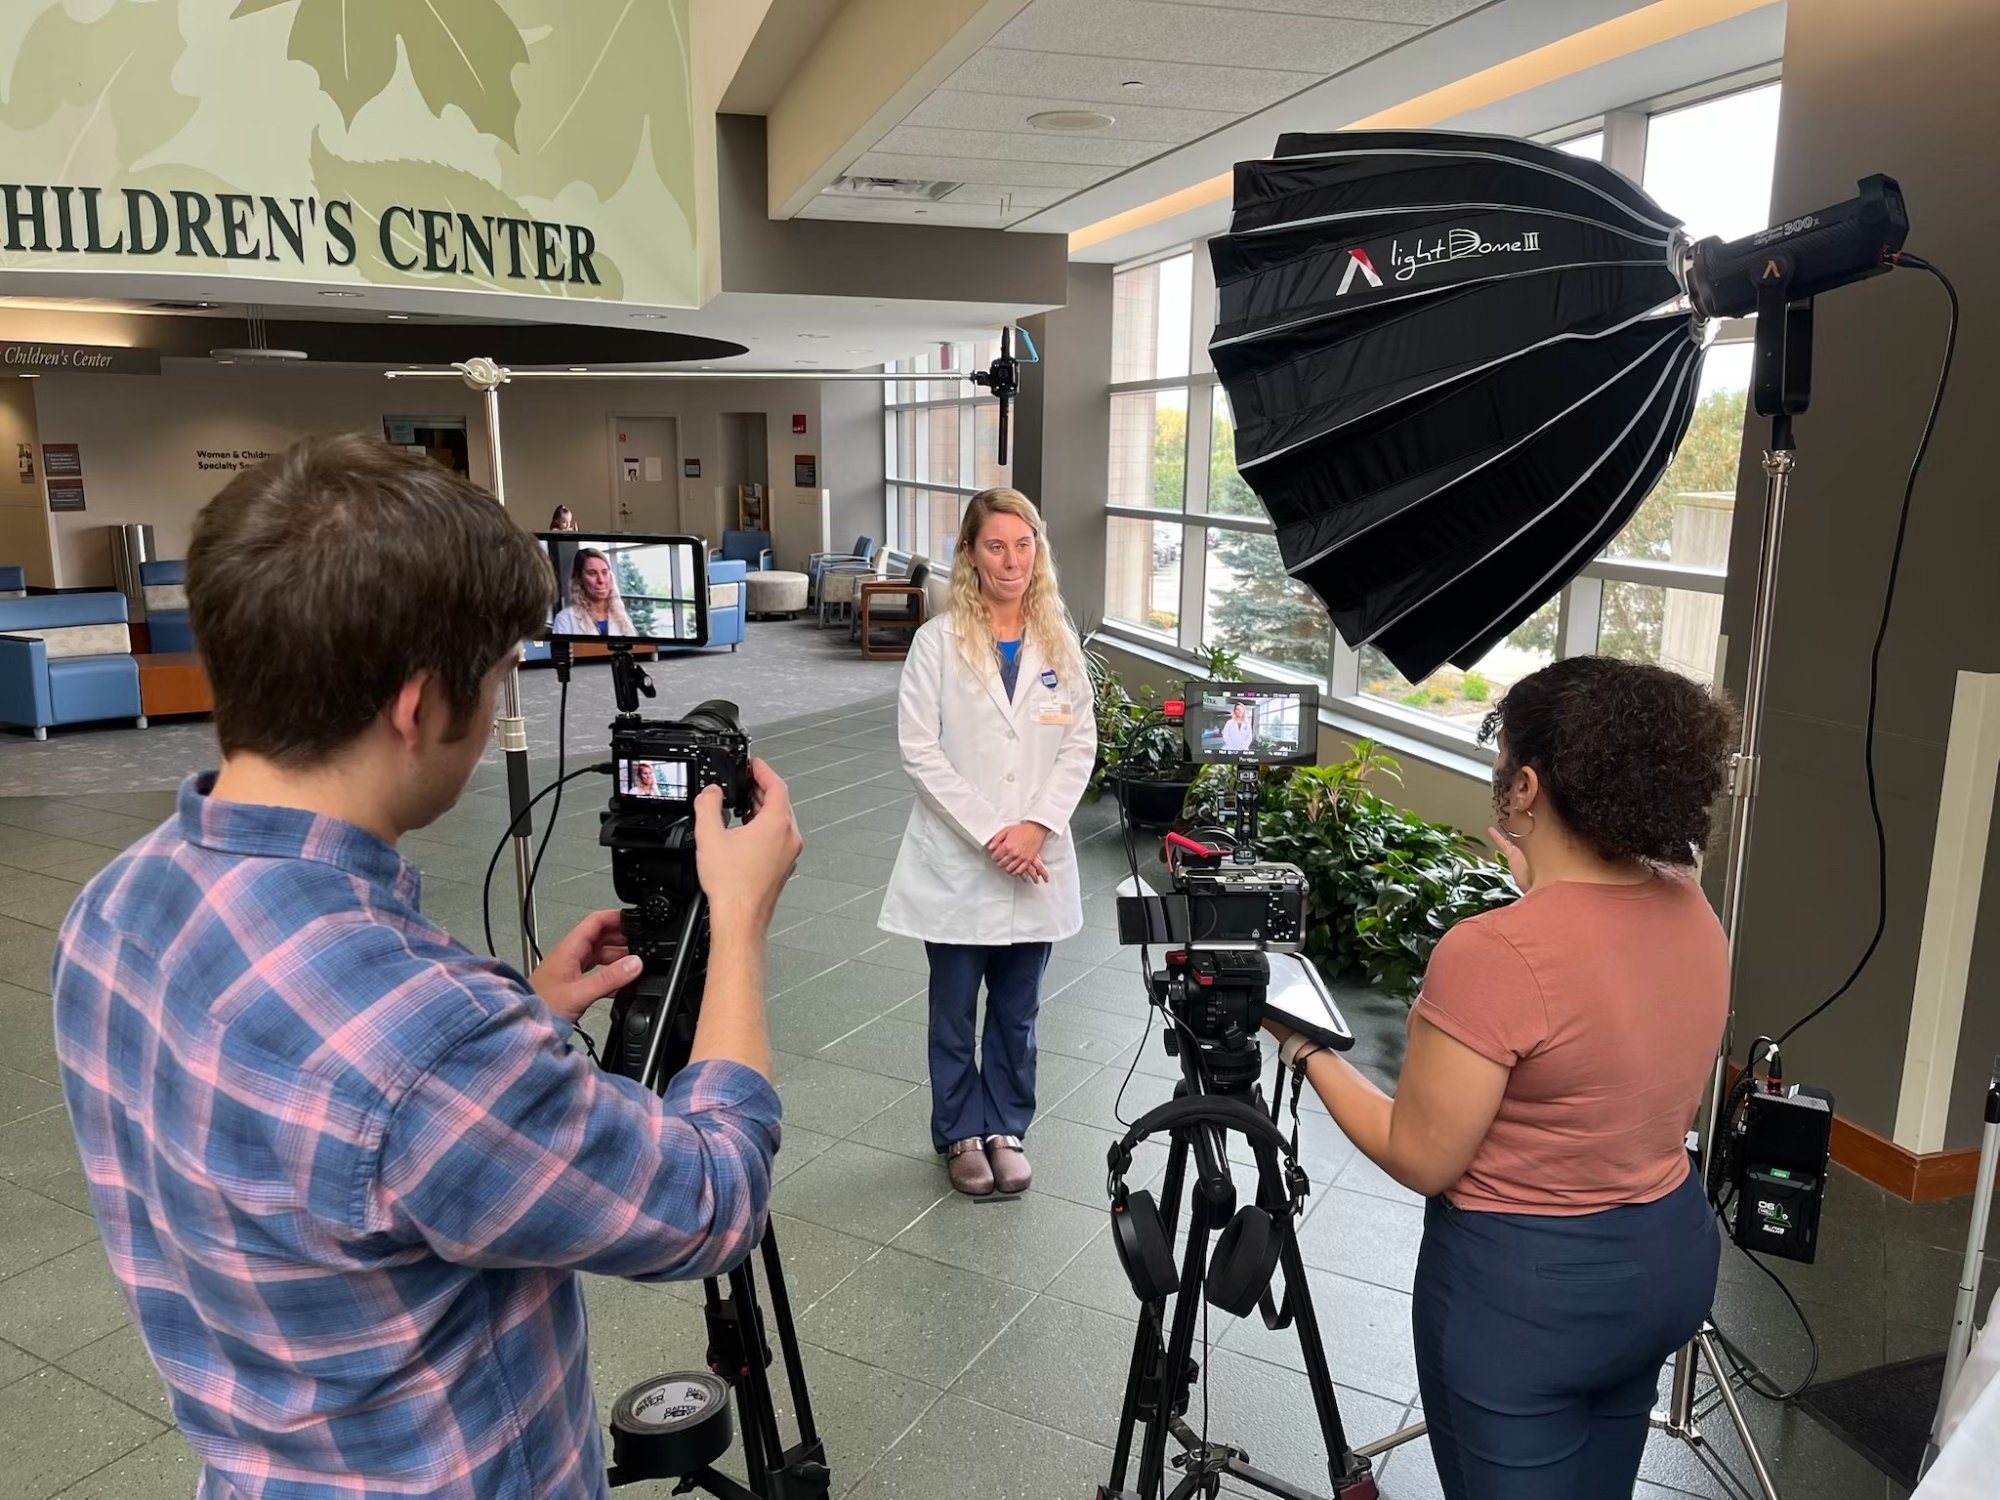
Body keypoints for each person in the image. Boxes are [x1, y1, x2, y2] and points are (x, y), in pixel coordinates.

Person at [52, 434, 803, 1500]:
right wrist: (737, 926)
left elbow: (315, 1135)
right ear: (417, 707)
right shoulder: (429, 1048)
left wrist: (519, 1015)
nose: (500, 703)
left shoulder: (117, 904)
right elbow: (712, 1198)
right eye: (499, 680)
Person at [1271, 657, 1735, 1500]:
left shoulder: (1493, 954)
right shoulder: (1692, 905)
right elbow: (1608, 974)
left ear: (1525, 787)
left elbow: (1421, 1157)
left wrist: (1306, 1050)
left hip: (1529, 1299)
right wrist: (1546, 886)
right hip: (1666, 1262)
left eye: (1502, 762)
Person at [879, 487, 1095, 1197]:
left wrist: (1036, 826)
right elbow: (919, 750)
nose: (1012, 560)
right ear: (969, 553)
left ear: (1039, 549)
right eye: (995, 545)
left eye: (1024, 543)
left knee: (1018, 1009)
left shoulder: (1058, 637)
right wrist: (994, 832)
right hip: (961, 862)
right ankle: (959, 1131)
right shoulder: (936, 642)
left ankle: (1006, 1125)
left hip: (1035, 856)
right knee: (953, 1007)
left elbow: (1079, 743)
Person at [550, 545, 634, 636]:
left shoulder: (621, 616)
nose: (601, 580)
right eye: (592, 573)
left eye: (604, 572)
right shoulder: (565, 619)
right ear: (579, 578)